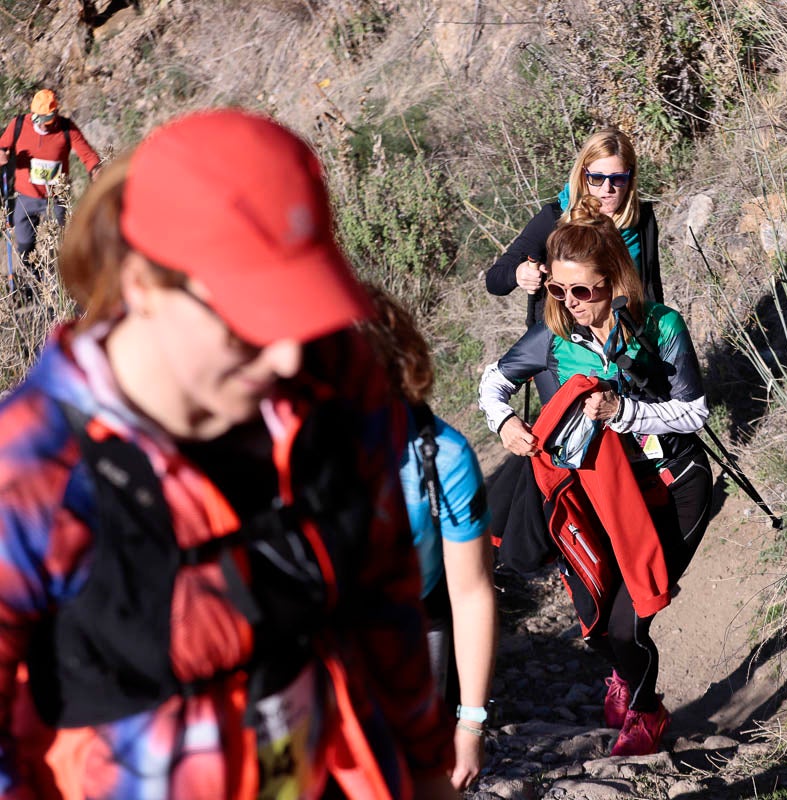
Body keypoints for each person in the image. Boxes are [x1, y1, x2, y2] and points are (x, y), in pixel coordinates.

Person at [0, 109, 457, 799]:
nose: (284, 353)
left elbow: (384, 590)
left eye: (298, 304)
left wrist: (427, 770)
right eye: (251, 314)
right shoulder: (30, 471)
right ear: (143, 286)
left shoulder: (333, 375)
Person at [478, 196, 712, 757]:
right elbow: (493, 381)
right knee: (596, 619)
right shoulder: (553, 337)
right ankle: (625, 678)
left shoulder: (660, 326)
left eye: (582, 290)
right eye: (559, 290)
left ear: (614, 279)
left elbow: (695, 411)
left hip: (672, 486)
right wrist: (506, 421)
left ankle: (647, 712)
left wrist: (625, 413)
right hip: (595, 494)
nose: (570, 302)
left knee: (631, 621)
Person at [361, 285, 497, 791]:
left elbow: (471, 593)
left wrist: (470, 723)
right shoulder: (295, 449)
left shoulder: (442, 458)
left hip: (419, 625)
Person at [485, 128, 662, 403]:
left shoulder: (643, 221)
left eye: (617, 179)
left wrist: (658, 343)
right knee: (570, 437)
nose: (607, 189)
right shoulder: (554, 218)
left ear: (631, 177)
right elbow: (495, 279)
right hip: (563, 345)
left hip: (626, 343)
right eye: (597, 178)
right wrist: (519, 273)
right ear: (583, 175)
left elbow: (651, 288)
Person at [0, 89, 101, 270]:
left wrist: (95, 170)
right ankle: (32, 287)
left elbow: (87, 155)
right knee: (25, 246)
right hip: (26, 197)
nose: (43, 125)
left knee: (58, 247)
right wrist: (1, 154)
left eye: (48, 120)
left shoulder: (66, 129)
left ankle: (57, 287)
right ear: (33, 113)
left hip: (55, 199)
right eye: (39, 119)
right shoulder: (19, 124)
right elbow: (2, 146)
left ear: (55, 114)